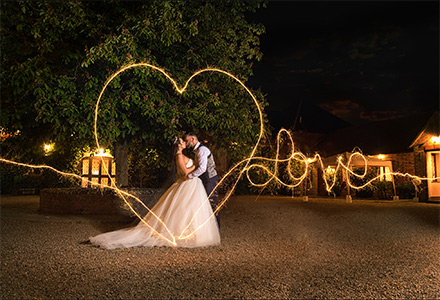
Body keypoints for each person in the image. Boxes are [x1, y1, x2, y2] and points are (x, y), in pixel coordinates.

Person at [89, 137, 220, 249]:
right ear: (180, 145)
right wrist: (195, 166)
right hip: (187, 185)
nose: (185, 142)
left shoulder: (185, 154)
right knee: (184, 209)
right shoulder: (179, 156)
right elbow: (185, 173)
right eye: (183, 141)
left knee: (191, 210)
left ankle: (195, 233)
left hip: (193, 186)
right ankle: (181, 233)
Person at [184, 132, 220, 226]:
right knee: (204, 204)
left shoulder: (202, 150)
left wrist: (189, 176)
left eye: (187, 140)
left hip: (210, 179)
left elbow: (202, 169)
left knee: (211, 204)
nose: (186, 142)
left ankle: (216, 229)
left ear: (193, 139)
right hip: (206, 179)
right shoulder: (197, 150)